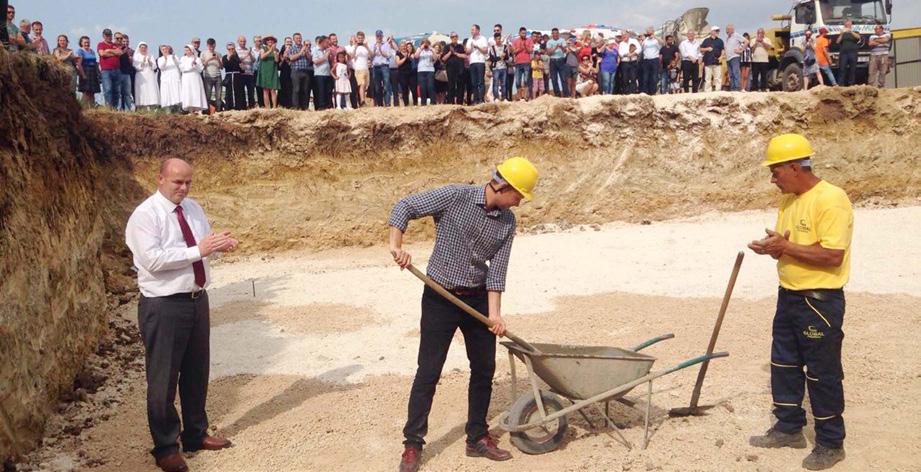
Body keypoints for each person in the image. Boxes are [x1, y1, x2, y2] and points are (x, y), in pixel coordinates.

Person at [391, 156, 539, 472]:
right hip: (440, 298)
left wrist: (495, 315)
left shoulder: (507, 221)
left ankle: (477, 437)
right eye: (518, 195)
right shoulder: (455, 196)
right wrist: (397, 246)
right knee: (428, 371)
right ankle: (413, 444)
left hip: (477, 301)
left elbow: (497, 271)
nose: (519, 202)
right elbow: (404, 207)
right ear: (503, 185)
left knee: (484, 368)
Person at [125, 158, 238, 472]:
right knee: (163, 379)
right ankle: (165, 446)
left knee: (196, 370)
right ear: (160, 179)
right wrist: (199, 250)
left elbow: (201, 244)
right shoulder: (145, 216)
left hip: (196, 299)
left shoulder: (193, 209)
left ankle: (195, 433)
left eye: (188, 182)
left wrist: (219, 245)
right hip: (163, 305)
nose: (184, 188)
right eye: (177, 182)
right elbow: (153, 260)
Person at [747, 133, 851, 471]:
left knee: (823, 374)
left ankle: (831, 442)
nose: (772, 178)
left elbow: (833, 255)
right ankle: (789, 428)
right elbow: (790, 244)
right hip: (789, 294)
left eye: (775, 171)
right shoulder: (789, 201)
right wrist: (773, 246)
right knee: (784, 365)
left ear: (795, 167)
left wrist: (786, 248)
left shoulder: (831, 199)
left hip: (819, 301)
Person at [97, 28, 123, 108]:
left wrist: (108, 50)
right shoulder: (100, 44)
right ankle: (109, 107)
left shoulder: (115, 44)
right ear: (103, 36)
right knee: (108, 89)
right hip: (106, 70)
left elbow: (120, 53)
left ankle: (114, 108)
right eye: (106, 35)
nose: (108, 37)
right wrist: (113, 52)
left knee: (117, 90)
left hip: (117, 69)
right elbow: (102, 54)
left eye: (110, 35)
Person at [179, 45, 207, 113]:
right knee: (188, 93)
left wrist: (195, 65)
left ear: (191, 50)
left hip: (195, 77)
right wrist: (191, 67)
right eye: (185, 50)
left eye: (188, 50)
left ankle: (199, 110)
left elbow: (200, 69)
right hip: (186, 78)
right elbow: (182, 68)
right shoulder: (182, 58)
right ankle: (190, 110)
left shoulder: (197, 59)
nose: (187, 52)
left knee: (196, 92)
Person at [285, 32, 310, 110]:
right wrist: (300, 52)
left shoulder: (305, 47)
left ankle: (305, 107)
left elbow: (310, 59)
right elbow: (291, 58)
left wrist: (306, 53)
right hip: (296, 71)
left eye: (300, 38)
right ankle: (296, 107)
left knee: (305, 90)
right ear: (294, 39)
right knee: (297, 89)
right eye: (297, 38)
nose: (299, 39)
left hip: (305, 71)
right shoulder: (291, 48)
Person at [465, 24, 489, 104]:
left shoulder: (483, 39)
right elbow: (467, 52)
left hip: (480, 62)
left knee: (480, 81)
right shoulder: (469, 40)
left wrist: (477, 47)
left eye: (473, 29)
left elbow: (485, 50)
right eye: (471, 30)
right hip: (472, 62)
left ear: (478, 30)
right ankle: (475, 99)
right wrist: (471, 48)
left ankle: (481, 99)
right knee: (474, 82)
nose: (472, 31)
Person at [369, 30, 393, 107]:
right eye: (377, 36)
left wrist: (381, 50)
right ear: (376, 36)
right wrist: (375, 49)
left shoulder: (386, 44)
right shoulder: (372, 44)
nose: (379, 37)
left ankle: (387, 103)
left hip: (384, 66)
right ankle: (380, 104)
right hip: (375, 67)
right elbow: (370, 56)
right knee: (377, 87)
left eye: (380, 36)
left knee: (386, 86)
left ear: (382, 36)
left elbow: (389, 55)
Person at [133, 42, 160, 109]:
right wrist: (143, 62)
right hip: (141, 76)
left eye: (145, 48)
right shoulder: (136, 56)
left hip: (150, 75)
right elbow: (136, 67)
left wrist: (150, 62)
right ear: (139, 48)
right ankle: (143, 106)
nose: (143, 49)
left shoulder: (150, 55)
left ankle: (152, 106)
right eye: (142, 48)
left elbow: (154, 67)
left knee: (150, 90)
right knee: (142, 90)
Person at [441, 32, 466, 105]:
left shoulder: (460, 47)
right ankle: (450, 102)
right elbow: (443, 59)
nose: (454, 38)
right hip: (450, 69)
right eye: (452, 37)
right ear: (450, 38)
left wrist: (455, 53)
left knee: (460, 87)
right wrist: (450, 52)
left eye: (455, 36)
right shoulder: (447, 46)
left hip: (460, 69)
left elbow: (465, 56)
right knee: (451, 86)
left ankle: (459, 103)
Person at [75, 36, 100, 106]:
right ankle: (82, 106)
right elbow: (79, 64)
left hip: (93, 71)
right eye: (85, 42)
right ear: (81, 43)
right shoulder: (80, 51)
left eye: (88, 42)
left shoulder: (92, 51)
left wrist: (98, 72)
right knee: (86, 91)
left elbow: (95, 62)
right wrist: (83, 75)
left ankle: (92, 107)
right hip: (85, 70)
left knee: (92, 92)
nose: (87, 44)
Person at [256, 36, 280, 108]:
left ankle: (274, 107)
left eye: (271, 40)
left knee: (273, 90)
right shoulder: (263, 48)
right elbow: (262, 57)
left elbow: (276, 60)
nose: (270, 41)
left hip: (273, 70)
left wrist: (275, 53)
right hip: (264, 70)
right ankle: (267, 107)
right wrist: (270, 50)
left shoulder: (276, 50)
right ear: (266, 41)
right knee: (265, 90)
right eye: (268, 40)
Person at [509, 27, 532, 101]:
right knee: (517, 81)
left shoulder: (529, 40)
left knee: (526, 80)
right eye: (522, 33)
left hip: (526, 62)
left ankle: (525, 96)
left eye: (525, 33)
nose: (524, 34)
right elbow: (513, 52)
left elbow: (531, 51)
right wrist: (519, 49)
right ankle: (519, 96)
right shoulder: (515, 41)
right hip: (518, 63)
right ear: (519, 33)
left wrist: (525, 46)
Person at [201, 38, 223, 113]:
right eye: (210, 45)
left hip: (218, 76)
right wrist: (209, 59)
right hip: (208, 77)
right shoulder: (203, 53)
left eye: (213, 45)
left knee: (218, 96)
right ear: (207, 45)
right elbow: (202, 66)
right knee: (208, 96)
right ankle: (207, 112)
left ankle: (218, 111)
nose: (211, 47)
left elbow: (221, 67)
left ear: (215, 45)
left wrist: (218, 59)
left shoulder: (219, 54)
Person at [700, 26, 725, 92]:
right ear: (712, 32)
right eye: (716, 31)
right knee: (707, 78)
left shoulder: (720, 41)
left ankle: (718, 91)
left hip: (717, 61)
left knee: (718, 78)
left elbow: (722, 49)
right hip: (708, 61)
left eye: (718, 31)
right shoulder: (706, 40)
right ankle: (708, 91)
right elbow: (700, 49)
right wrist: (707, 49)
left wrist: (721, 56)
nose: (717, 32)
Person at [157, 45, 182, 112]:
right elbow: (161, 67)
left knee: (176, 91)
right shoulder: (160, 59)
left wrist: (174, 58)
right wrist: (165, 59)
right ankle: (168, 109)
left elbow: (179, 65)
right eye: (163, 49)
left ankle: (178, 108)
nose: (164, 50)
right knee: (167, 92)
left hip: (174, 76)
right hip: (166, 78)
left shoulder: (174, 56)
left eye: (165, 49)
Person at [221, 42, 245, 111]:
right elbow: (225, 66)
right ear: (227, 49)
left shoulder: (237, 57)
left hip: (237, 76)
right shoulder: (225, 57)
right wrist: (229, 57)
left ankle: (239, 107)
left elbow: (242, 70)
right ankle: (229, 106)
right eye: (229, 49)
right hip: (229, 76)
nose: (231, 50)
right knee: (229, 92)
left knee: (238, 92)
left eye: (232, 49)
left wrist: (242, 67)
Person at [349, 32, 371, 106]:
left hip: (366, 68)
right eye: (359, 38)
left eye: (361, 38)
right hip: (358, 68)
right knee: (362, 84)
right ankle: (362, 100)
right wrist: (355, 46)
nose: (360, 39)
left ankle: (362, 101)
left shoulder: (365, 47)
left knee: (365, 86)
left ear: (363, 38)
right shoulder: (354, 47)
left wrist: (367, 46)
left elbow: (371, 55)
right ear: (357, 38)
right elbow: (351, 56)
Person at [836, 19, 860, 87]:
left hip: (853, 53)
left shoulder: (855, 31)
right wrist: (842, 34)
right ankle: (841, 84)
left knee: (852, 69)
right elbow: (837, 42)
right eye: (846, 23)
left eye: (849, 23)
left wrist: (850, 31)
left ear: (851, 24)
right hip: (844, 53)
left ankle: (851, 83)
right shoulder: (842, 32)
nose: (847, 24)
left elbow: (858, 37)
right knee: (842, 69)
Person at [640, 27, 663, 95]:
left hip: (654, 59)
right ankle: (646, 92)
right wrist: (642, 38)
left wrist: (654, 36)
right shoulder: (645, 40)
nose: (649, 34)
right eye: (648, 32)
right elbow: (641, 48)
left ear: (653, 32)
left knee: (654, 77)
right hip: (646, 60)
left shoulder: (656, 40)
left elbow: (663, 43)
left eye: (650, 32)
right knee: (645, 77)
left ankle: (653, 92)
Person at [312, 35, 332, 110]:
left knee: (327, 91)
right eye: (327, 42)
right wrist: (325, 56)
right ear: (322, 42)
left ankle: (327, 106)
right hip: (319, 74)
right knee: (320, 92)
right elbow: (315, 61)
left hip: (327, 73)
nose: (328, 44)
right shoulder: (315, 50)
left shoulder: (325, 50)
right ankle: (321, 107)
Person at [868, 23, 891, 88]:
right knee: (871, 71)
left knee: (883, 71)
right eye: (875, 29)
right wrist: (881, 41)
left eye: (877, 29)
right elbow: (870, 43)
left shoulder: (887, 34)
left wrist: (876, 40)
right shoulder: (872, 36)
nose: (876, 30)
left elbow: (885, 40)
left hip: (883, 55)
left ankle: (881, 86)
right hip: (873, 56)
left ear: (881, 29)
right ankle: (871, 86)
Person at [546, 28, 568, 97]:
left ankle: (566, 95)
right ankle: (557, 95)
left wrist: (561, 47)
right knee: (554, 79)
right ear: (552, 34)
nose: (555, 34)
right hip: (553, 61)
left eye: (556, 33)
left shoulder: (562, 40)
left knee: (563, 79)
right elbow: (549, 53)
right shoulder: (549, 42)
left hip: (561, 60)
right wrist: (555, 48)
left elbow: (565, 51)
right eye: (554, 33)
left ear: (558, 34)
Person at [487, 30, 508, 102]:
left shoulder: (505, 47)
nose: (499, 40)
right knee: (495, 83)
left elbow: (507, 57)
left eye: (500, 38)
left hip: (504, 67)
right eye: (497, 39)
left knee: (503, 83)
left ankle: (504, 97)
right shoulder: (492, 48)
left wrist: (504, 56)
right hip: (496, 68)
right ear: (495, 39)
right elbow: (492, 59)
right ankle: (496, 97)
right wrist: (500, 57)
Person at [414, 38, 435, 106]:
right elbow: (416, 56)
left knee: (430, 86)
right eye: (424, 43)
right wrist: (421, 48)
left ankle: (432, 102)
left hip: (430, 70)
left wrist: (432, 50)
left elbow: (435, 58)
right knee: (422, 87)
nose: (425, 44)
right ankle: (423, 102)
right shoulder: (419, 49)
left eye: (426, 43)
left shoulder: (431, 50)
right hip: (421, 70)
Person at [236, 36, 256, 108]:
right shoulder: (236, 50)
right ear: (238, 42)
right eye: (241, 41)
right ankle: (243, 107)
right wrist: (246, 55)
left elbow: (253, 60)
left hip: (250, 73)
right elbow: (238, 60)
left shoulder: (249, 50)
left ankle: (251, 106)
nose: (243, 43)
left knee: (251, 91)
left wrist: (250, 53)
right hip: (241, 74)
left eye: (244, 41)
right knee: (241, 92)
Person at [117, 33, 135, 110]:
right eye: (124, 41)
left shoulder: (132, 51)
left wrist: (131, 59)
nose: (126, 43)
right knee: (120, 92)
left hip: (130, 73)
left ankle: (130, 108)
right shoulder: (118, 50)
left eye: (127, 41)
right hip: (120, 72)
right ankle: (121, 108)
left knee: (129, 92)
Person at [725, 24, 744, 91]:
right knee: (731, 74)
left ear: (732, 29)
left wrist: (741, 50)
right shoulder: (728, 38)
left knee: (735, 73)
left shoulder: (736, 35)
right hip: (728, 58)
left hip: (734, 57)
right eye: (726, 29)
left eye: (728, 29)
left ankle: (737, 88)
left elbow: (746, 41)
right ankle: (732, 88)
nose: (726, 31)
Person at [278, 36, 293, 108]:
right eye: (287, 42)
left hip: (292, 72)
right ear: (284, 43)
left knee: (291, 89)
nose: (289, 44)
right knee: (283, 88)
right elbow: (279, 65)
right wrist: (284, 56)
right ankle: (282, 104)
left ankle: (290, 105)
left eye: (290, 42)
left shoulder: (294, 50)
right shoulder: (280, 52)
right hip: (284, 72)